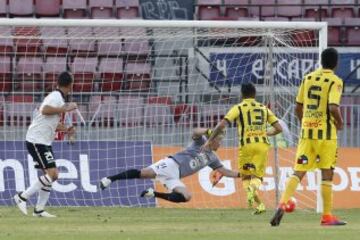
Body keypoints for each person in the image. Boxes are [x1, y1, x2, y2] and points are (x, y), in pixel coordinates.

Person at [270, 48, 346, 226]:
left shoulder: (308, 78)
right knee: (327, 173)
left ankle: (283, 202)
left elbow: (298, 107)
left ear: (321, 61)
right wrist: (340, 123)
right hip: (326, 135)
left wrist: (305, 122)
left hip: (307, 133)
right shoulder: (335, 81)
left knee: (299, 171)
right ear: (336, 63)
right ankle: (327, 216)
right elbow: (333, 107)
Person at [100, 128, 241, 203]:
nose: (220, 144)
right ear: (213, 140)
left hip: (175, 176)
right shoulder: (201, 142)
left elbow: (225, 171)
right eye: (219, 141)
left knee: (187, 197)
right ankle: (110, 179)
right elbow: (195, 132)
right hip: (171, 164)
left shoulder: (212, 158)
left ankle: (153, 194)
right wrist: (207, 131)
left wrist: (242, 175)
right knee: (143, 174)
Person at [202, 83, 283, 214]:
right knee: (257, 176)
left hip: (246, 146)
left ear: (242, 94)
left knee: (245, 176)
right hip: (262, 145)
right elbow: (279, 128)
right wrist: (265, 133)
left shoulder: (238, 108)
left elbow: (221, 125)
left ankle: (256, 198)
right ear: (255, 94)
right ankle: (259, 203)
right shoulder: (264, 108)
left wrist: (210, 140)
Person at [14, 72, 78, 217]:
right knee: (53, 174)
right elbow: (45, 110)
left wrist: (67, 129)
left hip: (43, 141)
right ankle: (22, 197)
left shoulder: (58, 97)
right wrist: (66, 108)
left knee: (49, 175)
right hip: (37, 140)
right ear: (70, 85)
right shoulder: (55, 97)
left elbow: (51, 122)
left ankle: (39, 210)